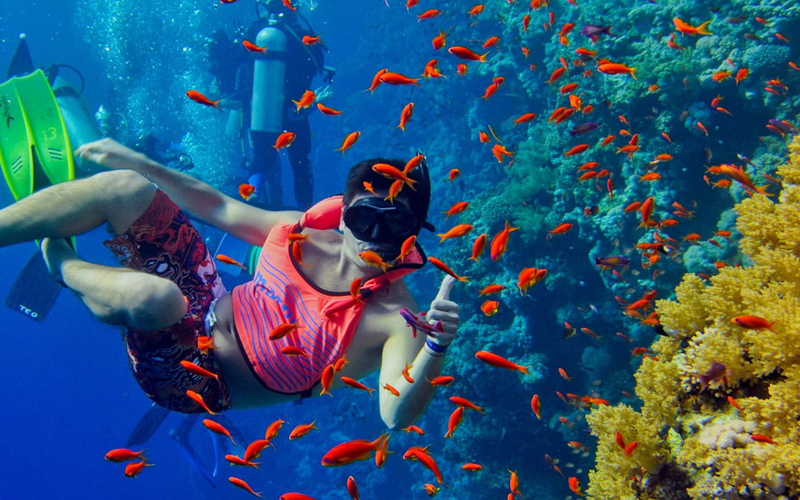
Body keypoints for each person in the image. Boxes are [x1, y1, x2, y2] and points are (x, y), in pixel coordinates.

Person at [0, 138, 460, 430]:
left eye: (394, 224)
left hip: (195, 382)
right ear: (343, 215)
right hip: (204, 300)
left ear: (415, 232)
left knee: (153, 297)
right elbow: (217, 208)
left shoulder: (398, 318)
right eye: (364, 219)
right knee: (122, 187)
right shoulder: (299, 231)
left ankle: (58, 261)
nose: (373, 240)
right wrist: (140, 163)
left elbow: (393, 415)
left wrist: (436, 346)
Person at [213, 0, 334, 210]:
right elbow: (314, 66)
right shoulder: (300, 35)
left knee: (262, 157)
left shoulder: (254, 31)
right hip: (293, 113)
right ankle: (306, 214)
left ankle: (253, 198)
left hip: (259, 113)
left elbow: (237, 68)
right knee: (300, 164)